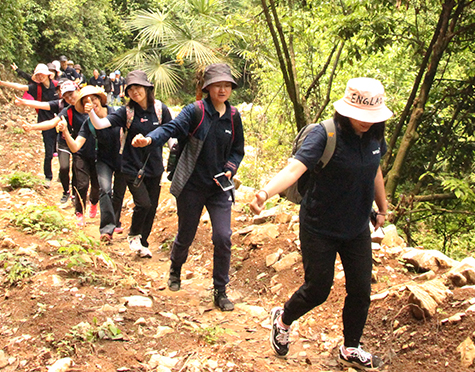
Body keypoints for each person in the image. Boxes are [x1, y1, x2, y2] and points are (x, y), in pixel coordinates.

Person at [251, 77, 391, 370]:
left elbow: (374, 169)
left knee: (361, 289)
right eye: (361, 115)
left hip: (356, 227)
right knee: (318, 288)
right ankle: (283, 319)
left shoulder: (375, 135)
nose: (366, 121)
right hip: (319, 226)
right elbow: (294, 169)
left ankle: (351, 347)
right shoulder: (325, 134)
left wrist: (382, 206)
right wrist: (265, 193)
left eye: (371, 116)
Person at [141, 63, 244, 311]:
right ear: (207, 88)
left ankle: (220, 290)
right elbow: (171, 128)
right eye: (217, 85)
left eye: (227, 85)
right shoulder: (195, 111)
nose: (222, 90)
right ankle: (175, 269)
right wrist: (150, 139)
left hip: (218, 188)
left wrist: (230, 167)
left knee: (223, 237)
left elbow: (237, 149)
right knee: (186, 233)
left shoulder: (233, 116)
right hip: (192, 186)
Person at [89, 70, 172, 251]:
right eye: (131, 89)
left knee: (151, 207)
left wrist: (175, 149)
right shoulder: (126, 112)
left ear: (147, 88)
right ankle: (134, 235)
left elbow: (170, 132)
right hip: (131, 166)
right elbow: (100, 124)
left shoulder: (160, 109)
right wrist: (91, 113)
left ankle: (143, 242)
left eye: (138, 88)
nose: (135, 92)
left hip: (154, 166)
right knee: (143, 203)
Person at [57, 85, 114, 231]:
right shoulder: (87, 123)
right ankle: (79, 212)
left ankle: (93, 202)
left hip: (100, 157)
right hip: (82, 155)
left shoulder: (113, 114)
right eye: (86, 102)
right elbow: (75, 146)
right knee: (82, 184)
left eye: (93, 99)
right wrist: (65, 132)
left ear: (100, 99)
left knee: (96, 185)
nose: (91, 103)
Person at [15, 80, 81, 205]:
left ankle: (75, 193)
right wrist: (32, 125)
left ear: (78, 90)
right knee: (64, 167)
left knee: (77, 169)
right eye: (66, 96)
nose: (69, 98)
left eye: (71, 94)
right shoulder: (63, 107)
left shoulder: (86, 106)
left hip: (79, 143)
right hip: (64, 141)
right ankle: (66, 191)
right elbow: (47, 114)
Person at [0, 63, 59, 185]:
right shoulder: (36, 88)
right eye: (37, 75)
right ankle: (48, 177)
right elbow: (20, 87)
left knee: (63, 150)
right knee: (48, 153)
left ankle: (63, 175)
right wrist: (2, 83)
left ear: (47, 74)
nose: (40, 77)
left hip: (60, 121)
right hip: (44, 122)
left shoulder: (58, 86)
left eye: (41, 74)